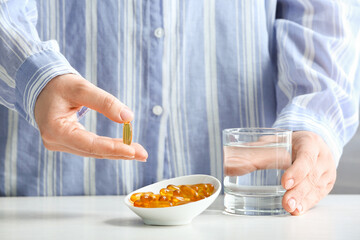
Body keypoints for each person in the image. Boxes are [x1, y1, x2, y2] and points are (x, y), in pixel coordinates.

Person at [0, 0, 359, 216]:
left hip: (245, 211)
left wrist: (314, 118)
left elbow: (323, 18)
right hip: (45, 205)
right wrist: (36, 76)